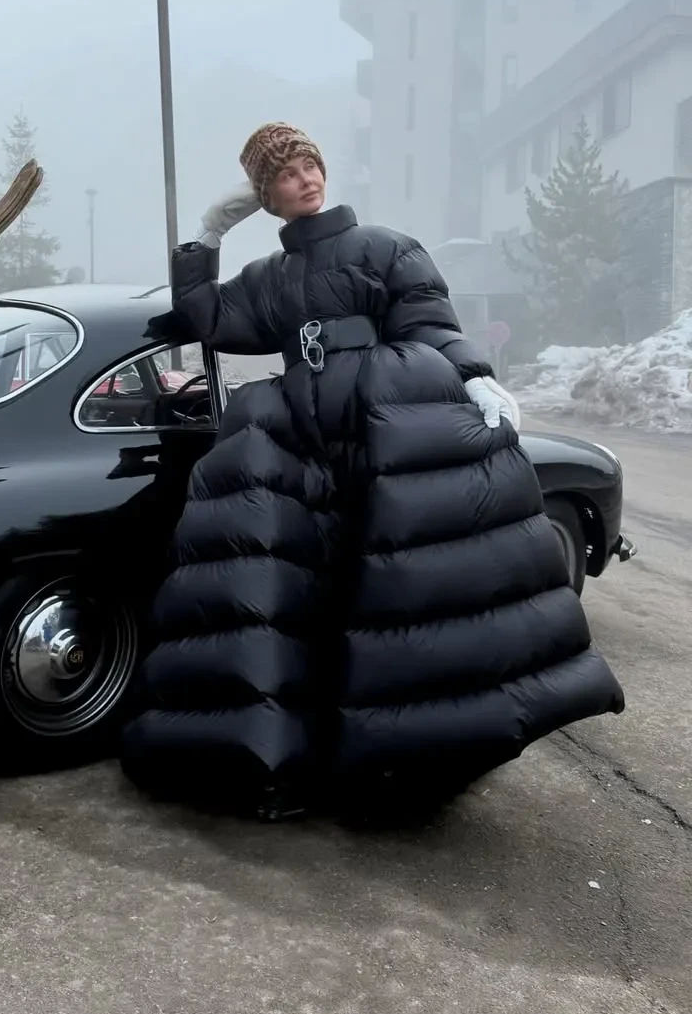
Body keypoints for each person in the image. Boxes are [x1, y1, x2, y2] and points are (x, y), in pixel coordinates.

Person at [121, 122, 623, 818]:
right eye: (285, 174)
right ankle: (305, 755)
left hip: (385, 437)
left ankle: (413, 751)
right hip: (305, 448)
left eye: (309, 164)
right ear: (266, 196)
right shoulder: (269, 279)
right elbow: (207, 316)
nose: (305, 179)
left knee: (397, 585)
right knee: (314, 596)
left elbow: (429, 323)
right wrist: (209, 232)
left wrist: (473, 375)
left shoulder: (384, 247)